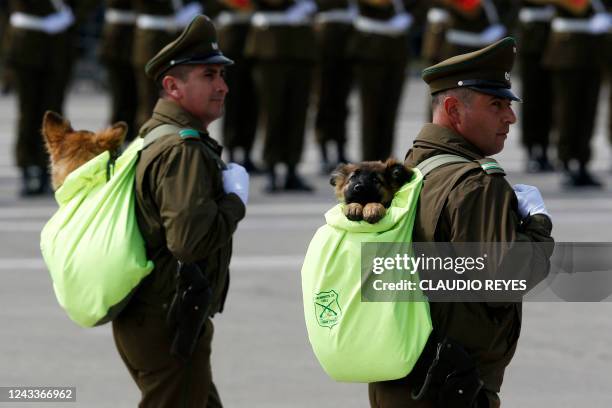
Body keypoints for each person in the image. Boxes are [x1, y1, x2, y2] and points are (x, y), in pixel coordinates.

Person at [369, 38, 554, 408]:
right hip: (452, 388)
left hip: (398, 379)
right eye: (496, 105)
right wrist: (537, 224)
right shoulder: (476, 184)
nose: (510, 117)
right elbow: (504, 281)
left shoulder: (411, 168)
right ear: (453, 109)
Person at [112, 15, 248, 407]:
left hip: (157, 315)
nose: (222, 86)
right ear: (172, 86)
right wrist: (235, 201)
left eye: (222, 75)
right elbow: (189, 242)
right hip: (167, 318)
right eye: (209, 75)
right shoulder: (181, 150)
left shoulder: (156, 134)